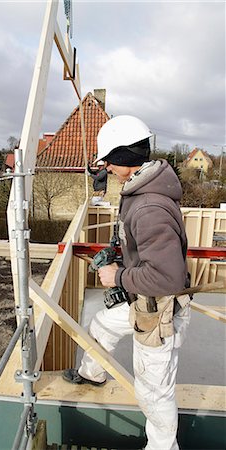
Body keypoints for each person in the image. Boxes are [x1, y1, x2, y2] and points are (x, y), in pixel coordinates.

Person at [63, 115, 191, 450]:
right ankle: (94, 373)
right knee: (102, 325)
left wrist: (117, 275)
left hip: (158, 313)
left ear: (122, 159)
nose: (104, 166)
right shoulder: (139, 185)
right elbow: (138, 240)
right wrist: (115, 251)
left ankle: (163, 446)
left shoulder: (149, 206)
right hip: (141, 301)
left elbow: (168, 278)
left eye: (108, 160)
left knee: (154, 393)